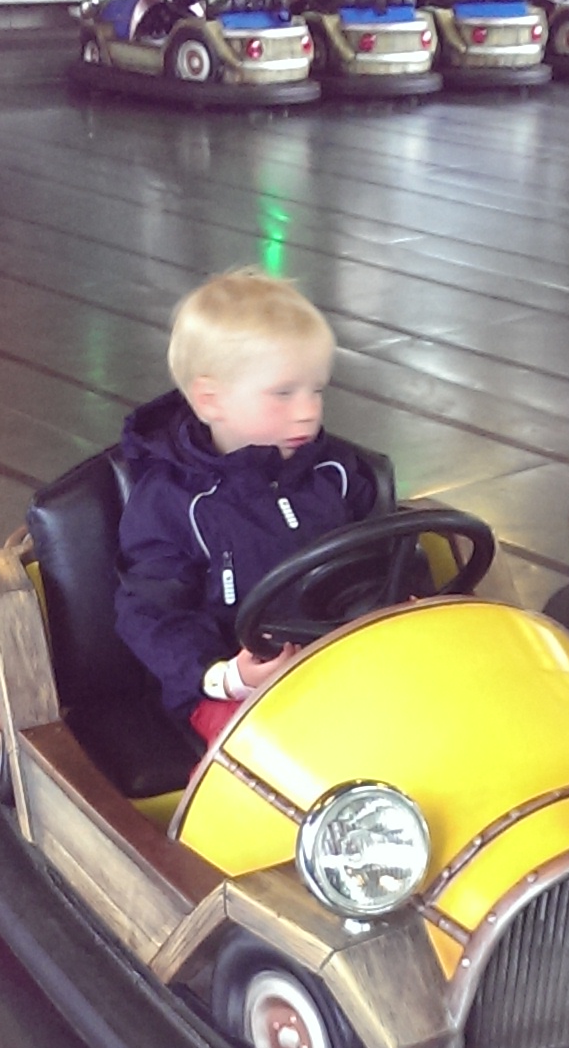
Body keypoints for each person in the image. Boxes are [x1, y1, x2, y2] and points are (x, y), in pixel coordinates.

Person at [115, 270, 380, 750]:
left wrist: (406, 598)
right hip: (229, 689)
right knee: (289, 752)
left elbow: (383, 552)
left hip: (338, 660)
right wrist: (224, 675)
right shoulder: (173, 503)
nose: (307, 411)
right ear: (210, 399)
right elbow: (151, 611)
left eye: (316, 390)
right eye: (283, 393)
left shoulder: (335, 470)